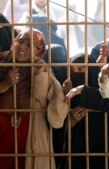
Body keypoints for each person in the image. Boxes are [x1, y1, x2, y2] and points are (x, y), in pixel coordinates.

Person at [0, 28, 68, 169]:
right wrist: (5, 83)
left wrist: (62, 93)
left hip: (29, 134)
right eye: (20, 41)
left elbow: (57, 113)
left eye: (29, 44)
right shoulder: (2, 62)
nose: (23, 46)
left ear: (39, 51)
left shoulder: (42, 70)